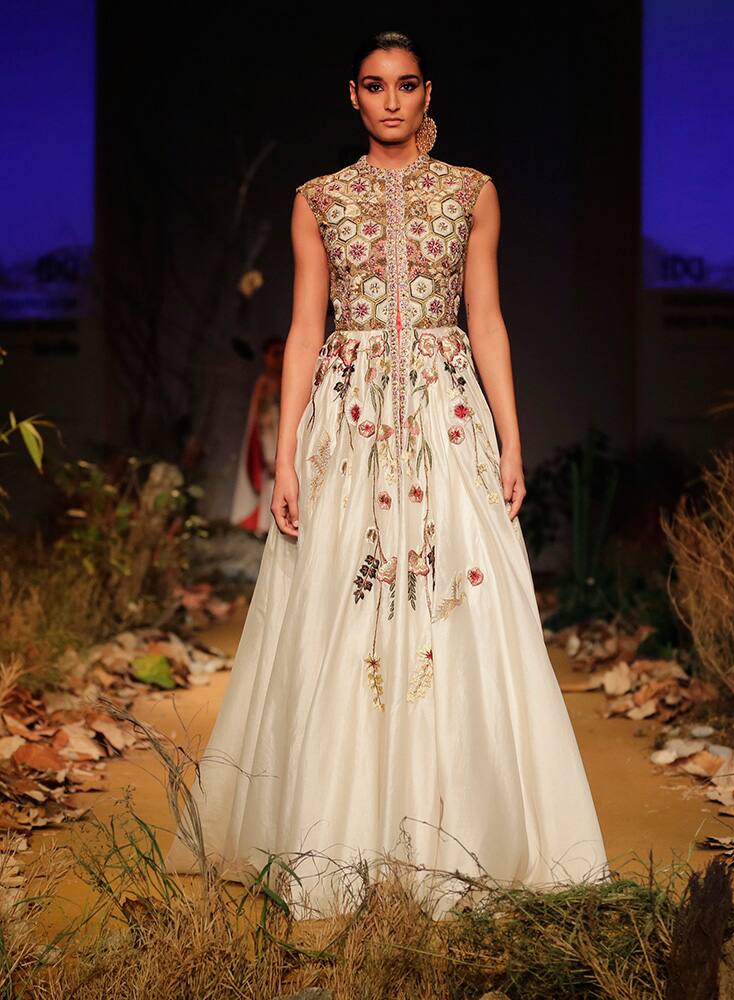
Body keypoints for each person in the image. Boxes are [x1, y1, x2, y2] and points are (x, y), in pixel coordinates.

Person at [164, 29, 609, 919]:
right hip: (349, 415)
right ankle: (339, 834)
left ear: (427, 91)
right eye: (375, 86)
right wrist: (286, 451)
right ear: (354, 97)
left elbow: (486, 320)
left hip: (446, 416)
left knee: (466, 605)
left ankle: (463, 832)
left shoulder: (471, 193)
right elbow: (301, 330)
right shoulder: (317, 199)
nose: (392, 101)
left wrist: (512, 438)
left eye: (406, 85)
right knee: (341, 603)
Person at [230, 337, 284, 538]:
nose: (280, 359)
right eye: (276, 354)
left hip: (282, 433)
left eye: (283, 353)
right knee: (270, 477)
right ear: (266, 357)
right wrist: (266, 448)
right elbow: (262, 416)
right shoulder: (264, 382)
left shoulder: (286, 379)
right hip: (269, 436)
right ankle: (264, 526)